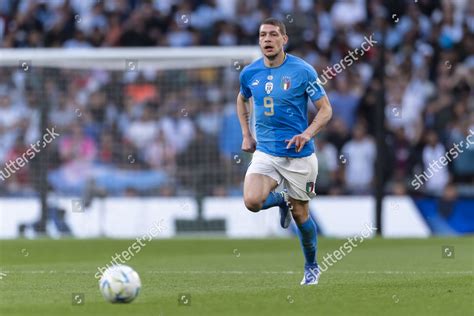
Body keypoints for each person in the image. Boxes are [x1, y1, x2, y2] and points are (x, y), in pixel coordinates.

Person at [236, 18, 333, 285]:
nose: (267, 39)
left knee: (302, 215)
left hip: (298, 155)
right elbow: (242, 98)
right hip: (266, 152)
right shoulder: (250, 73)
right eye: (262, 35)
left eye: (273, 34)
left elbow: (325, 109)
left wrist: (307, 133)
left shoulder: (302, 71)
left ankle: (312, 266)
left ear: (284, 40)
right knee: (252, 202)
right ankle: (281, 200)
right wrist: (246, 133)